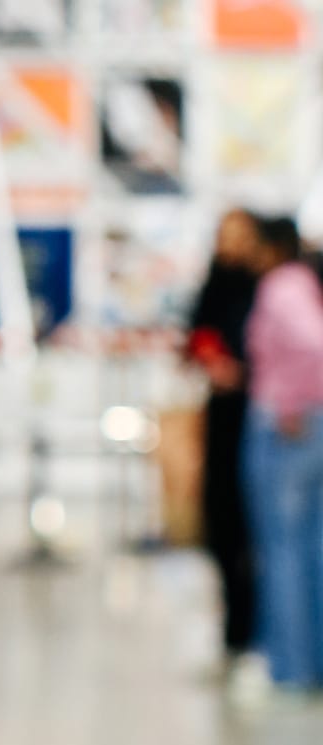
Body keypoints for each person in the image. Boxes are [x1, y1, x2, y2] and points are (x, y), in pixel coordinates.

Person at [240, 216, 323, 693]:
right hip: (307, 424)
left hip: (286, 425)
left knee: (282, 549)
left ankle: (290, 669)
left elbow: (313, 344)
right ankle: (309, 663)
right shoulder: (304, 283)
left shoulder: (283, 286)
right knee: (310, 546)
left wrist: (293, 401)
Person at [184, 209, 261, 666]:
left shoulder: (265, 288)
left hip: (259, 417)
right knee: (223, 521)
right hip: (221, 417)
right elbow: (196, 335)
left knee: (257, 530)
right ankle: (233, 630)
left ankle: (258, 632)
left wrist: (244, 374)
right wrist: (208, 359)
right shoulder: (215, 286)